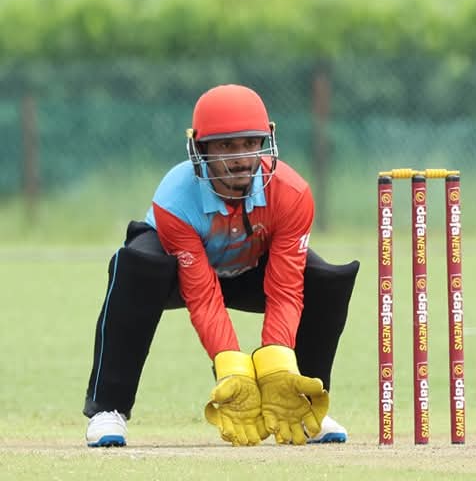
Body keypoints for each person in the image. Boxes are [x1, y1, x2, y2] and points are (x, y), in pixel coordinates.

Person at [83, 84, 360, 447]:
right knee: (136, 266)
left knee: (324, 280)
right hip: (177, 273)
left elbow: (286, 290)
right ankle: (109, 408)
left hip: (250, 266)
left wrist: (276, 367)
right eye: (226, 146)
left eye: (250, 143)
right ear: (200, 149)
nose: (241, 158)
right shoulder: (175, 197)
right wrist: (231, 368)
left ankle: (302, 404)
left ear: (266, 141)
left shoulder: (292, 194)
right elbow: (202, 295)